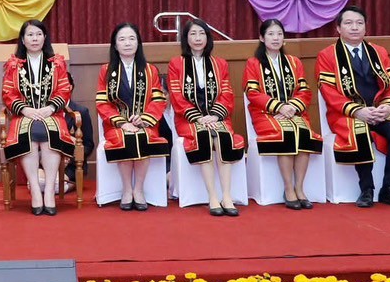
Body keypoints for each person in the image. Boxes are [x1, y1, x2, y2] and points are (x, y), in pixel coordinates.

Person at [316, 6, 390, 208]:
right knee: (359, 131)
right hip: (346, 114)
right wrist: (357, 111)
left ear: (365, 27)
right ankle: (366, 189)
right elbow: (328, 92)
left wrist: (387, 107)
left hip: (378, 111)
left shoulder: (378, 52)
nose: (354, 28)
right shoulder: (327, 55)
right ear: (338, 28)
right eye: (349, 23)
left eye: (359, 23)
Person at [166, 17, 244, 216]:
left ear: (208, 38)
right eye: (193, 34)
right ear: (186, 38)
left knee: (223, 137)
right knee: (204, 137)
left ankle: (226, 196)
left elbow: (226, 93)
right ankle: (212, 196)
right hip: (188, 119)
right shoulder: (177, 64)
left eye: (201, 33)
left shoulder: (220, 64)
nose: (198, 38)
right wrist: (198, 118)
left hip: (218, 118)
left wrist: (216, 116)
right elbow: (176, 96)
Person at [243, 18, 322, 209]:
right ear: (262, 38)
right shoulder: (253, 63)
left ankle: (300, 188)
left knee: (304, 133)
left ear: (284, 38)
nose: (275, 38)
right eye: (270, 34)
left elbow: (304, 90)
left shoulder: (294, 62)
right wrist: (279, 107)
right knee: (286, 133)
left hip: (294, 112)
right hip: (265, 114)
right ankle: (288, 188)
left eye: (279, 34)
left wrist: (292, 107)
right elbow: (253, 93)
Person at [2, 19, 75, 216]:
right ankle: (35, 190)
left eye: (38, 34)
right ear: (23, 40)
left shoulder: (56, 62)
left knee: (49, 134)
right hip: (23, 115)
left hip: (52, 113)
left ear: (45, 37)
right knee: (30, 135)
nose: (34, 38)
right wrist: (25, 110)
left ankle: (49, 190)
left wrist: (50, 108)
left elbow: (64, 90)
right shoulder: (14, 64)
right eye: (30, 35)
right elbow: (8, 93)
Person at [96, 22, 170, 211]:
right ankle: (127, 190)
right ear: (115, 44)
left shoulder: (150, 70)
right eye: (122, 39)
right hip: (116, 125)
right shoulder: (106, 70)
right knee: (126, 137)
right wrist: (122, 123)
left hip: (146, 123)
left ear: (138, 43)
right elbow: (102, 103)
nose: (127, 43)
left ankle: (139, 190)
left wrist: (145, 118)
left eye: (131, 38)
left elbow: (159, 100)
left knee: (142, 136)